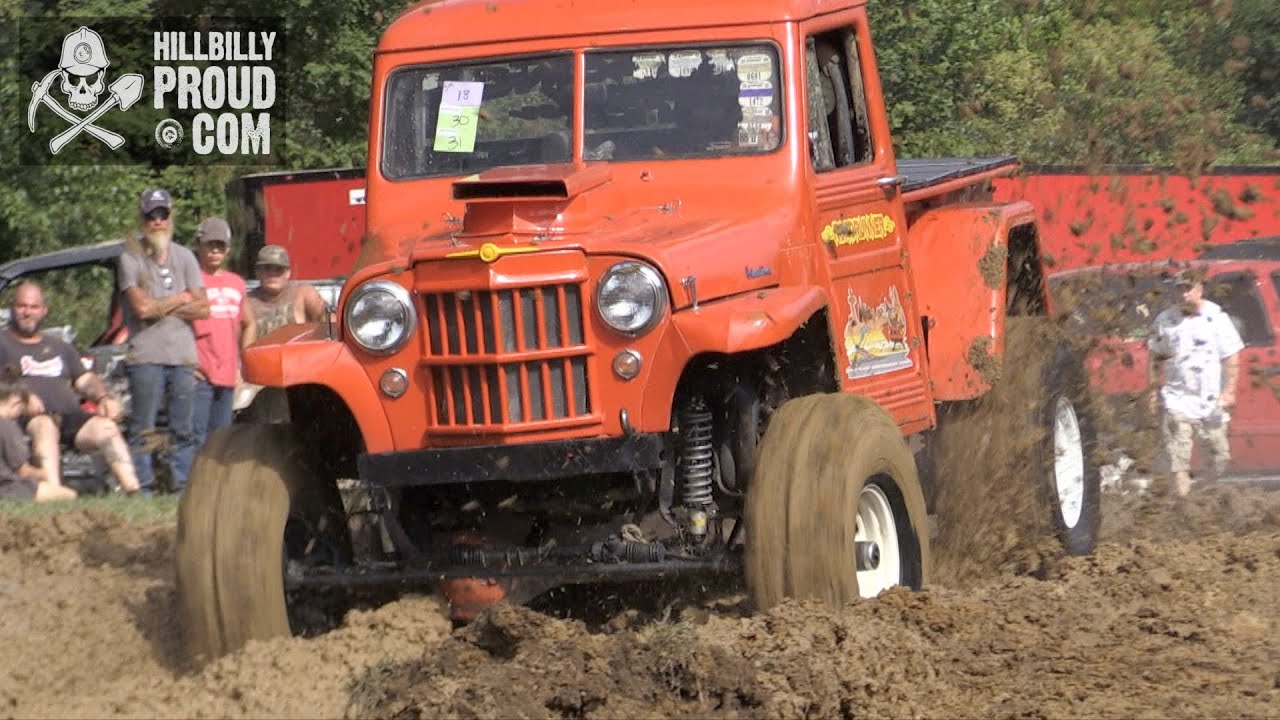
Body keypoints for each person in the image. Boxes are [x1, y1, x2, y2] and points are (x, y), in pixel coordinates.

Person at [0, 281, 141, 495]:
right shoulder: (3, 343)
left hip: (69, 416)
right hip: (26, 417)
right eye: (22, 306)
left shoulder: (60, 347)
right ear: (12, 308)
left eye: (34, 307)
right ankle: (54, 495)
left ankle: (133, 491)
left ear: (44, 310)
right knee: (45, 427)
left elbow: (84, 379)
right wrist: (24, 397)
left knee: (106, 428)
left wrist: (103, 398)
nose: (27, 312)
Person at [118, 188, 209, 494]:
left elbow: (204, 308)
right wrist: (181, 298)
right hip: (145, 356)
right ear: (142, 219)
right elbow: (141, 310)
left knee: (183, 428)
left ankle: (181, 489)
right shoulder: (130, 257)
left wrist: (162, 305)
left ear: (171, 217)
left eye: (162, 214)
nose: (157, 221)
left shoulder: (185, 256)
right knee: (142, 428)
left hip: (183, 356)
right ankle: (143, 490)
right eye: (151, 216)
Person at [1147, 266, 1243, 497]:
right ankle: (1183, 504)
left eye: (1188, 289)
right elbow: (1155, 357)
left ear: (1200, 289)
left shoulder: (1216, 318)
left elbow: (1231, 356)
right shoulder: (1165, 320)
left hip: (1210, 401)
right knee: (1178, 459)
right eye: (1179, 289)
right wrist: (1152, 391)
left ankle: (1204, 498)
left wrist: (1229, 391)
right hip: (1176, 398)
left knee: (1218, 457)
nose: (1184, 294)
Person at [191, 217, 256, 449]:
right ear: (199, 246)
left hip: (228, 374)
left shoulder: (237, 284)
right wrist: (186, 362)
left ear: (228, 249)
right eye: (210, 245)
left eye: (220, 245)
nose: (215, 251)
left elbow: (249, 323)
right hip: (198, 375)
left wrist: (242, 365)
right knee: (196, 438)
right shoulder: (191, 281)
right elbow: (174, 326)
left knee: (222, 440)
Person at [0, 369, 76, 503]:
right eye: (21, 409)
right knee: (69, 495)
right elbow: (23, 471)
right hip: (7, 488)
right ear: (16, 402)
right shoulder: (7, 426)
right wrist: (44, 474)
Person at [248, 245, 328, 337]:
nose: (273, 273)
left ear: (288, 273)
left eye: (279, 269)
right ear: (257, 272)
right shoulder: (247, 303)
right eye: (267, 268)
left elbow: (331, 324)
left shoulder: (303, 294)